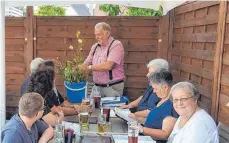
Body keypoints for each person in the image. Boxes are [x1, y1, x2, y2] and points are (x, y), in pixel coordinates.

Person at [81, 22, 125, 97]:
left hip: (112, 87)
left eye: (99, 34)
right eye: (95, 35)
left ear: (107, 34)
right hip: (97, 88)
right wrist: (78, 69)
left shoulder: (116, 45)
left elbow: (108, 66)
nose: (96, 37)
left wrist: (89, 67)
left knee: (110, 109)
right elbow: (86, 63)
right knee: (91, 108)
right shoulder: (95, 47)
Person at [137, 69, 179, 142]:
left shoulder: (171, 105)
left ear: (165, 87)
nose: (154, 91)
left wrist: (142, 129)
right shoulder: (162, 99)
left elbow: (165, 134)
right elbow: (156, 122)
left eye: (155, 88)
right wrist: (137, 120)